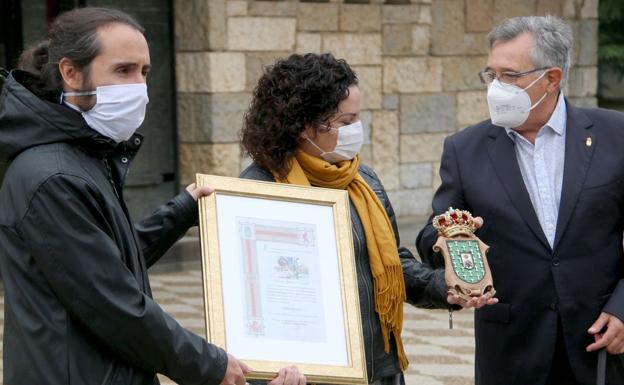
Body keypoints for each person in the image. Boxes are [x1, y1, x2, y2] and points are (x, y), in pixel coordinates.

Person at [0, 7, 303, 385]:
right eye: (123, 70)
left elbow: (111, 261)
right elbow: (113, 304)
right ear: (70, 73)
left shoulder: (84, 155)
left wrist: (182, 210)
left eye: (144, 72)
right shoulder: (53, 176)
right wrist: (210, 364)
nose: (139, 87)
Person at [416, 15, 624, 385]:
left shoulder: (614, 135)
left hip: (600, 345)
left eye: (510, 76)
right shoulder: (466, 149)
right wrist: (451, 246)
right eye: (491, 75)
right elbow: (432, 234)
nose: (496, 87)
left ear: (552, 78)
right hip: (511, 351)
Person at [240, 52, 451, 385]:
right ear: (301, 126)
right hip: (309, 373)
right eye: (346, 122)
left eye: (358, 118)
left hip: (378, 366)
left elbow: (392, 263)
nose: (357, 130)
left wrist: (444, 287)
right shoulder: (259, 190)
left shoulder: (361, 180)